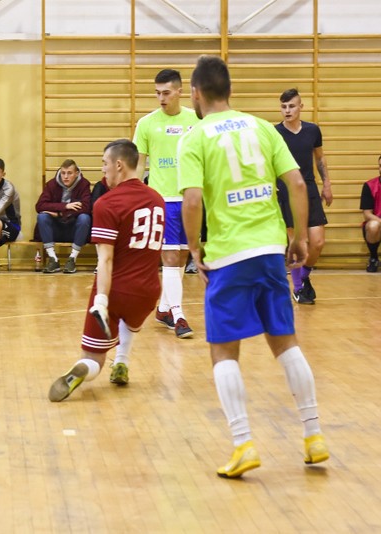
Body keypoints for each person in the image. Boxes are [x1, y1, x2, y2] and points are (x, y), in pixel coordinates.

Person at [178, 55, 329, 479]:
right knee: (286, 343)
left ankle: (244, 444)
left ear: (195, 94)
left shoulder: (195, 137)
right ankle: (314, 437)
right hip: (268, 250)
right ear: (229, 90)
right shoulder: (263, 127)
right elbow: (298, 183)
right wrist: (298, 236)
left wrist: (194, 249)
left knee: (224, 350)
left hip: (228, 255)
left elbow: (191, 201)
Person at [48, 140, 164, 401]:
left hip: (116, 290)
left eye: (104, 163)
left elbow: (106, 260)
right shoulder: (157, 199)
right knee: (130, 321)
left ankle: (86, 367)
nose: (103, 171)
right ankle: (122, 360)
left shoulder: (107, 203)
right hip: (148, 292)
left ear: (119, 165)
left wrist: (101, 299)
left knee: (93, 359)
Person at [133, 69, 199, 339]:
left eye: (166, 93)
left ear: (179, 91)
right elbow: (139, 164)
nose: (161, 98)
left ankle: (163, 309)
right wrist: (135, 197)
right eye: (157, 93)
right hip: (162, 200)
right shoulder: (146, 124)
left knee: (182, 257)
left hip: (192, 199)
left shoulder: (196, 120)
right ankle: (179, 315)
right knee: (170, 258)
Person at [276, 88, 332, 304]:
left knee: (317, 242)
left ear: (301, 107)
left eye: (291, 106)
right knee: (297, 241)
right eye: (283, 106)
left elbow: (319, 158)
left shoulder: (312, 130)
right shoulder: (275, 133)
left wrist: (327, 183)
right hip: (286, 190)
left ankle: (304, 277)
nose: (287, 110)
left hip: (309, 188)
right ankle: (298, 288)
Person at [35, 159, 91, 274]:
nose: (65, 176)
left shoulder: (84, 184)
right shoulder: (51, 184)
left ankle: (72, 259)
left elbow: (86, 207)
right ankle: (53, 259)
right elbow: (39, 206)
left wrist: (60, 213)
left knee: (85, 218)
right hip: (56, 228)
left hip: (74, 229)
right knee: (42, 217)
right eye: (63, 173)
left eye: (69, 173)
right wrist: (65, 206)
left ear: (76, 174)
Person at [360, 156, 381, 272]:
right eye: (380, 165)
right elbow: (367, 214)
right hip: (377, 223)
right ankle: (373, 258)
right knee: (373, 226)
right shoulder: (369, 185)